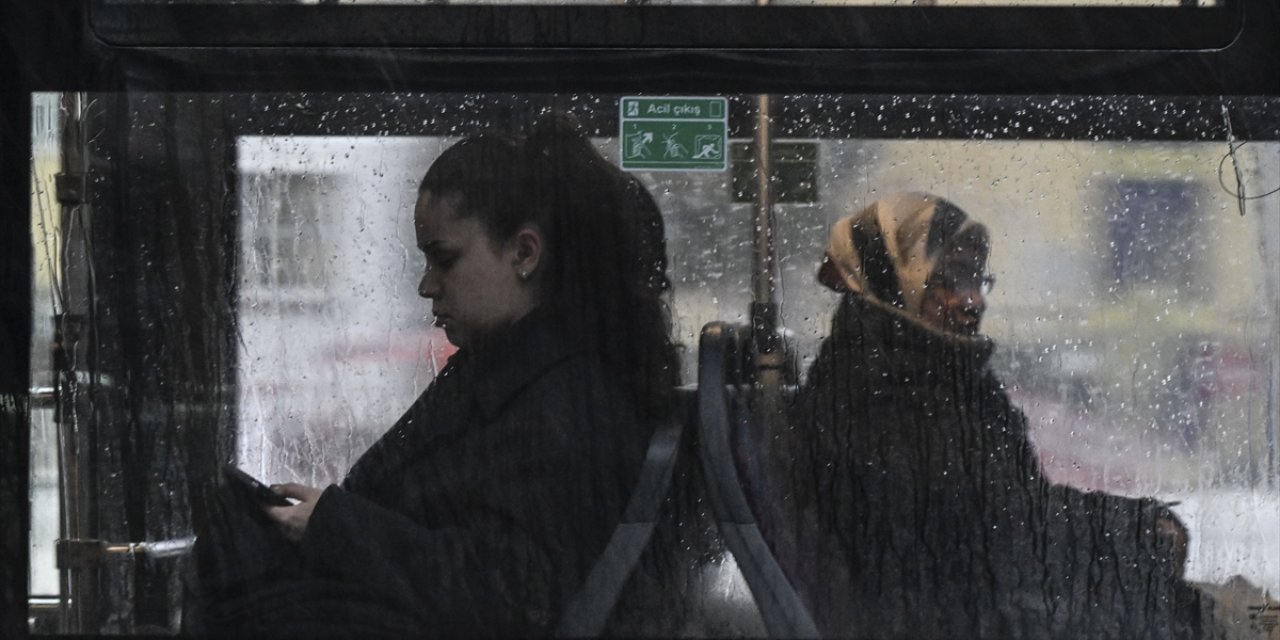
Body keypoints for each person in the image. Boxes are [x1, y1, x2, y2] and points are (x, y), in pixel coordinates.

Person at [189, 114, 681, 636]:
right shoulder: (500, 375)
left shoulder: (567, 406)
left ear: (524, 253)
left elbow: (516, 596)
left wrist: (337, 527)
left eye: (444, 259)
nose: (427, 286)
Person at [763, 192, 1219, 639]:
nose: (974, 301)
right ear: (893, 281)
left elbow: (1007, 512)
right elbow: (991, 529)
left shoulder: (936, 375)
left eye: (978, 280)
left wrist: (1134, 534)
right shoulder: (874, 397)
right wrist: (1136, 534)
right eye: (953, 278)